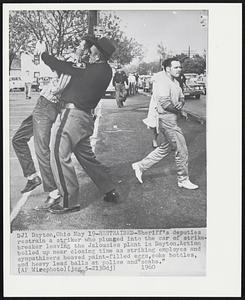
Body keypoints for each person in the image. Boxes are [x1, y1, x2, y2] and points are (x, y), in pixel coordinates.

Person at [40, 37, 120, 214]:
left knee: (58, 155)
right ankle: (109, 189)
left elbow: (61, 66)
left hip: (72, 116)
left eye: (91, 48)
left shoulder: (89, 68)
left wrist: (43, 53)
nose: (88, 49)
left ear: (97, 53)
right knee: (86, 157)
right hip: (85, 118)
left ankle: (69, 201)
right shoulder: (106, 70)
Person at [132, 58, 199, 190]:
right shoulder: (163, 82)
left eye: (180, 67)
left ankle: (140, 166)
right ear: (168, 69)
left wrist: (181, 103)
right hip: (166, 119)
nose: (179, 69)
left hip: (172, 118)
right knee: (182, 149)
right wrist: (181, 112)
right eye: (176, 67)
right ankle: (183, 179)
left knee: (166, 148)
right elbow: (165, 103)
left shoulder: (176, 82)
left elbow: (181, 97)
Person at [12, 70, 71, 203]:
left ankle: (53, 191)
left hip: (48, 105)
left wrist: (54, 88)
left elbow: (59, 88)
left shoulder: (73, 65)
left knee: (41, 150)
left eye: (80, 47)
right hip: (42, 104)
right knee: (18, 139)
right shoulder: (70, 62)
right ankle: (32, 177)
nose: (77, 47)